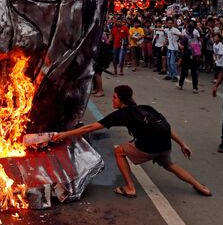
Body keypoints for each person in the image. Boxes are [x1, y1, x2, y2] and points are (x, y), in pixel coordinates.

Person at [52, 85, 211, 198]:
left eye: (114, 97)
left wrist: (63, 135)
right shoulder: (146, 108)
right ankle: (200, 186)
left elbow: (88, 128)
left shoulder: (122, 114)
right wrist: (182, 144)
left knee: (119, 151)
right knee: (170, 165)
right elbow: (165, 127)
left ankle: (129, 188)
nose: (112, 101)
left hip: (149, 146)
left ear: (122, 100)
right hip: (164, 143)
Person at [177, 22, 200, 93]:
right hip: (194, 56)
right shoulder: (195, 36)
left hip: (186, 56)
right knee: (194, 72)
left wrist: (178, 43)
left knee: (184, 71)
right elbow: (198, 45)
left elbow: (182, 46)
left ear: (187, 28)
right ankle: (195, 88)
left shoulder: (185, 36)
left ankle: (180, 85)